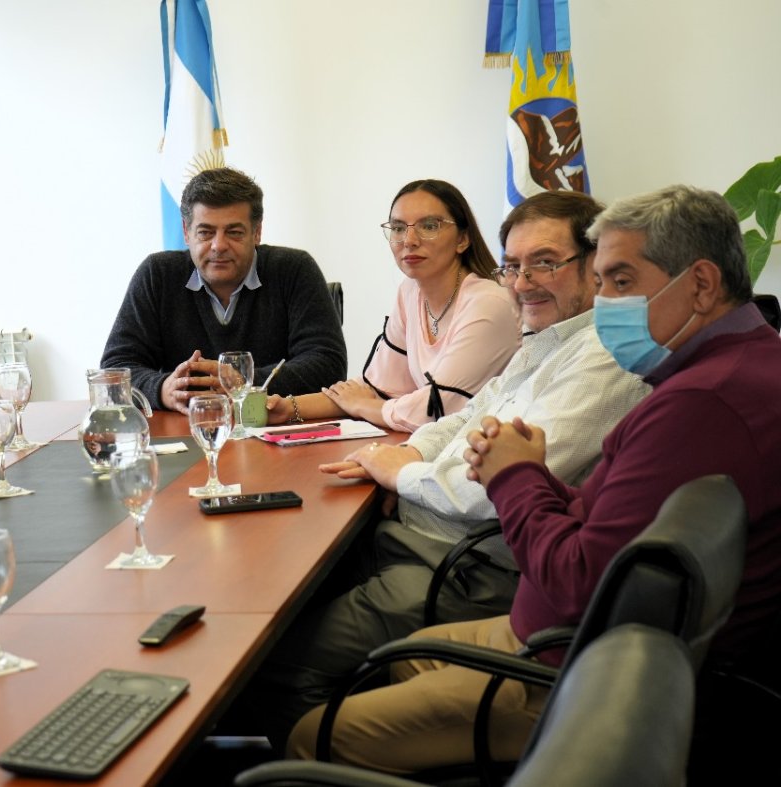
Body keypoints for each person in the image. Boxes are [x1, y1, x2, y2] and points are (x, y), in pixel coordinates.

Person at [286, 184, 781, 774]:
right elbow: (600, 512)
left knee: (310, 733)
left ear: (700, 284)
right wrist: (515, 476)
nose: (606, 300)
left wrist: (516, 474)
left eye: (620, 281)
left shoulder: (702, 400)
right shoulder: (729, 365)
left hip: (574, 671)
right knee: (401, 661)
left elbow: (578, 581)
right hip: (559, 628)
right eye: (603, 280)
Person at [233, 190, 649, 747]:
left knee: (271, 663)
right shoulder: (549, 337)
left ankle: (332, 759)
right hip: (423, 537)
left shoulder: (603, 358)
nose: (523, 282)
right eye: (513, 266)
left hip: (472, 564)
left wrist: (400, 474)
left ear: (595, 267)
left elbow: (491, 490)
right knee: (272, 594)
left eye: (545, 263)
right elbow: (466, 415)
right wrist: (408, 456)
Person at [266, 180, 521, 431]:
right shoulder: (410, 292)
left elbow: (437, 409)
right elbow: (378, 388)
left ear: (463, 239)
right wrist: (289, 408)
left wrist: (362, 406)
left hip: (486, 448)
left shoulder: (489, 303)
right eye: (398, 228)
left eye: (429, 226)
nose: (409, 240)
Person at [99, 167, 347, 412]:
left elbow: (329, 365)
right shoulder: (157, 275)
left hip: (273, 426)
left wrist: (242, 384)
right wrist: (163, 389)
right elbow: (115, 369)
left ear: (257, 232)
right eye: (205, 232)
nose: (218, 245)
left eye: (234, 232)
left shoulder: (294, 270)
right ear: (186, 232)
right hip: (185, 428)